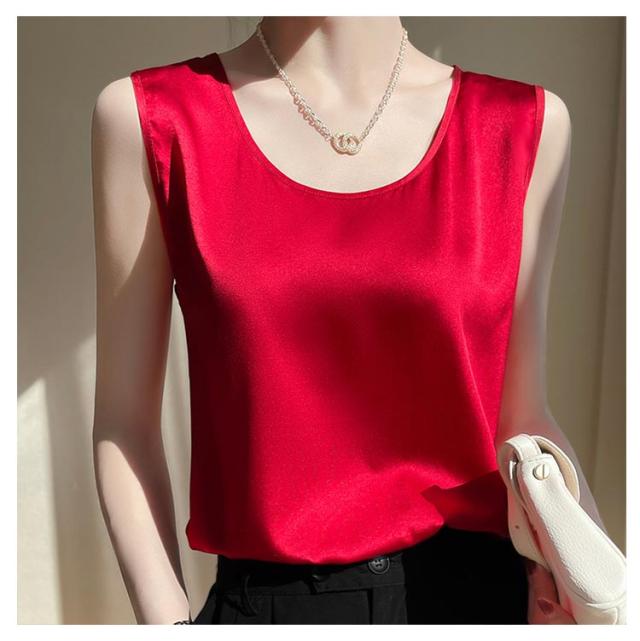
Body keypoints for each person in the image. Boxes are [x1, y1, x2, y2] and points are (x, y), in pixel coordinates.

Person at [91, 16, 607, 624]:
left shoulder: (522, 125)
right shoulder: (155, 118)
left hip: (479, 601)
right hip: (273, 603)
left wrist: (602, 598)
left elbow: (524, 416)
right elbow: (124, 425)